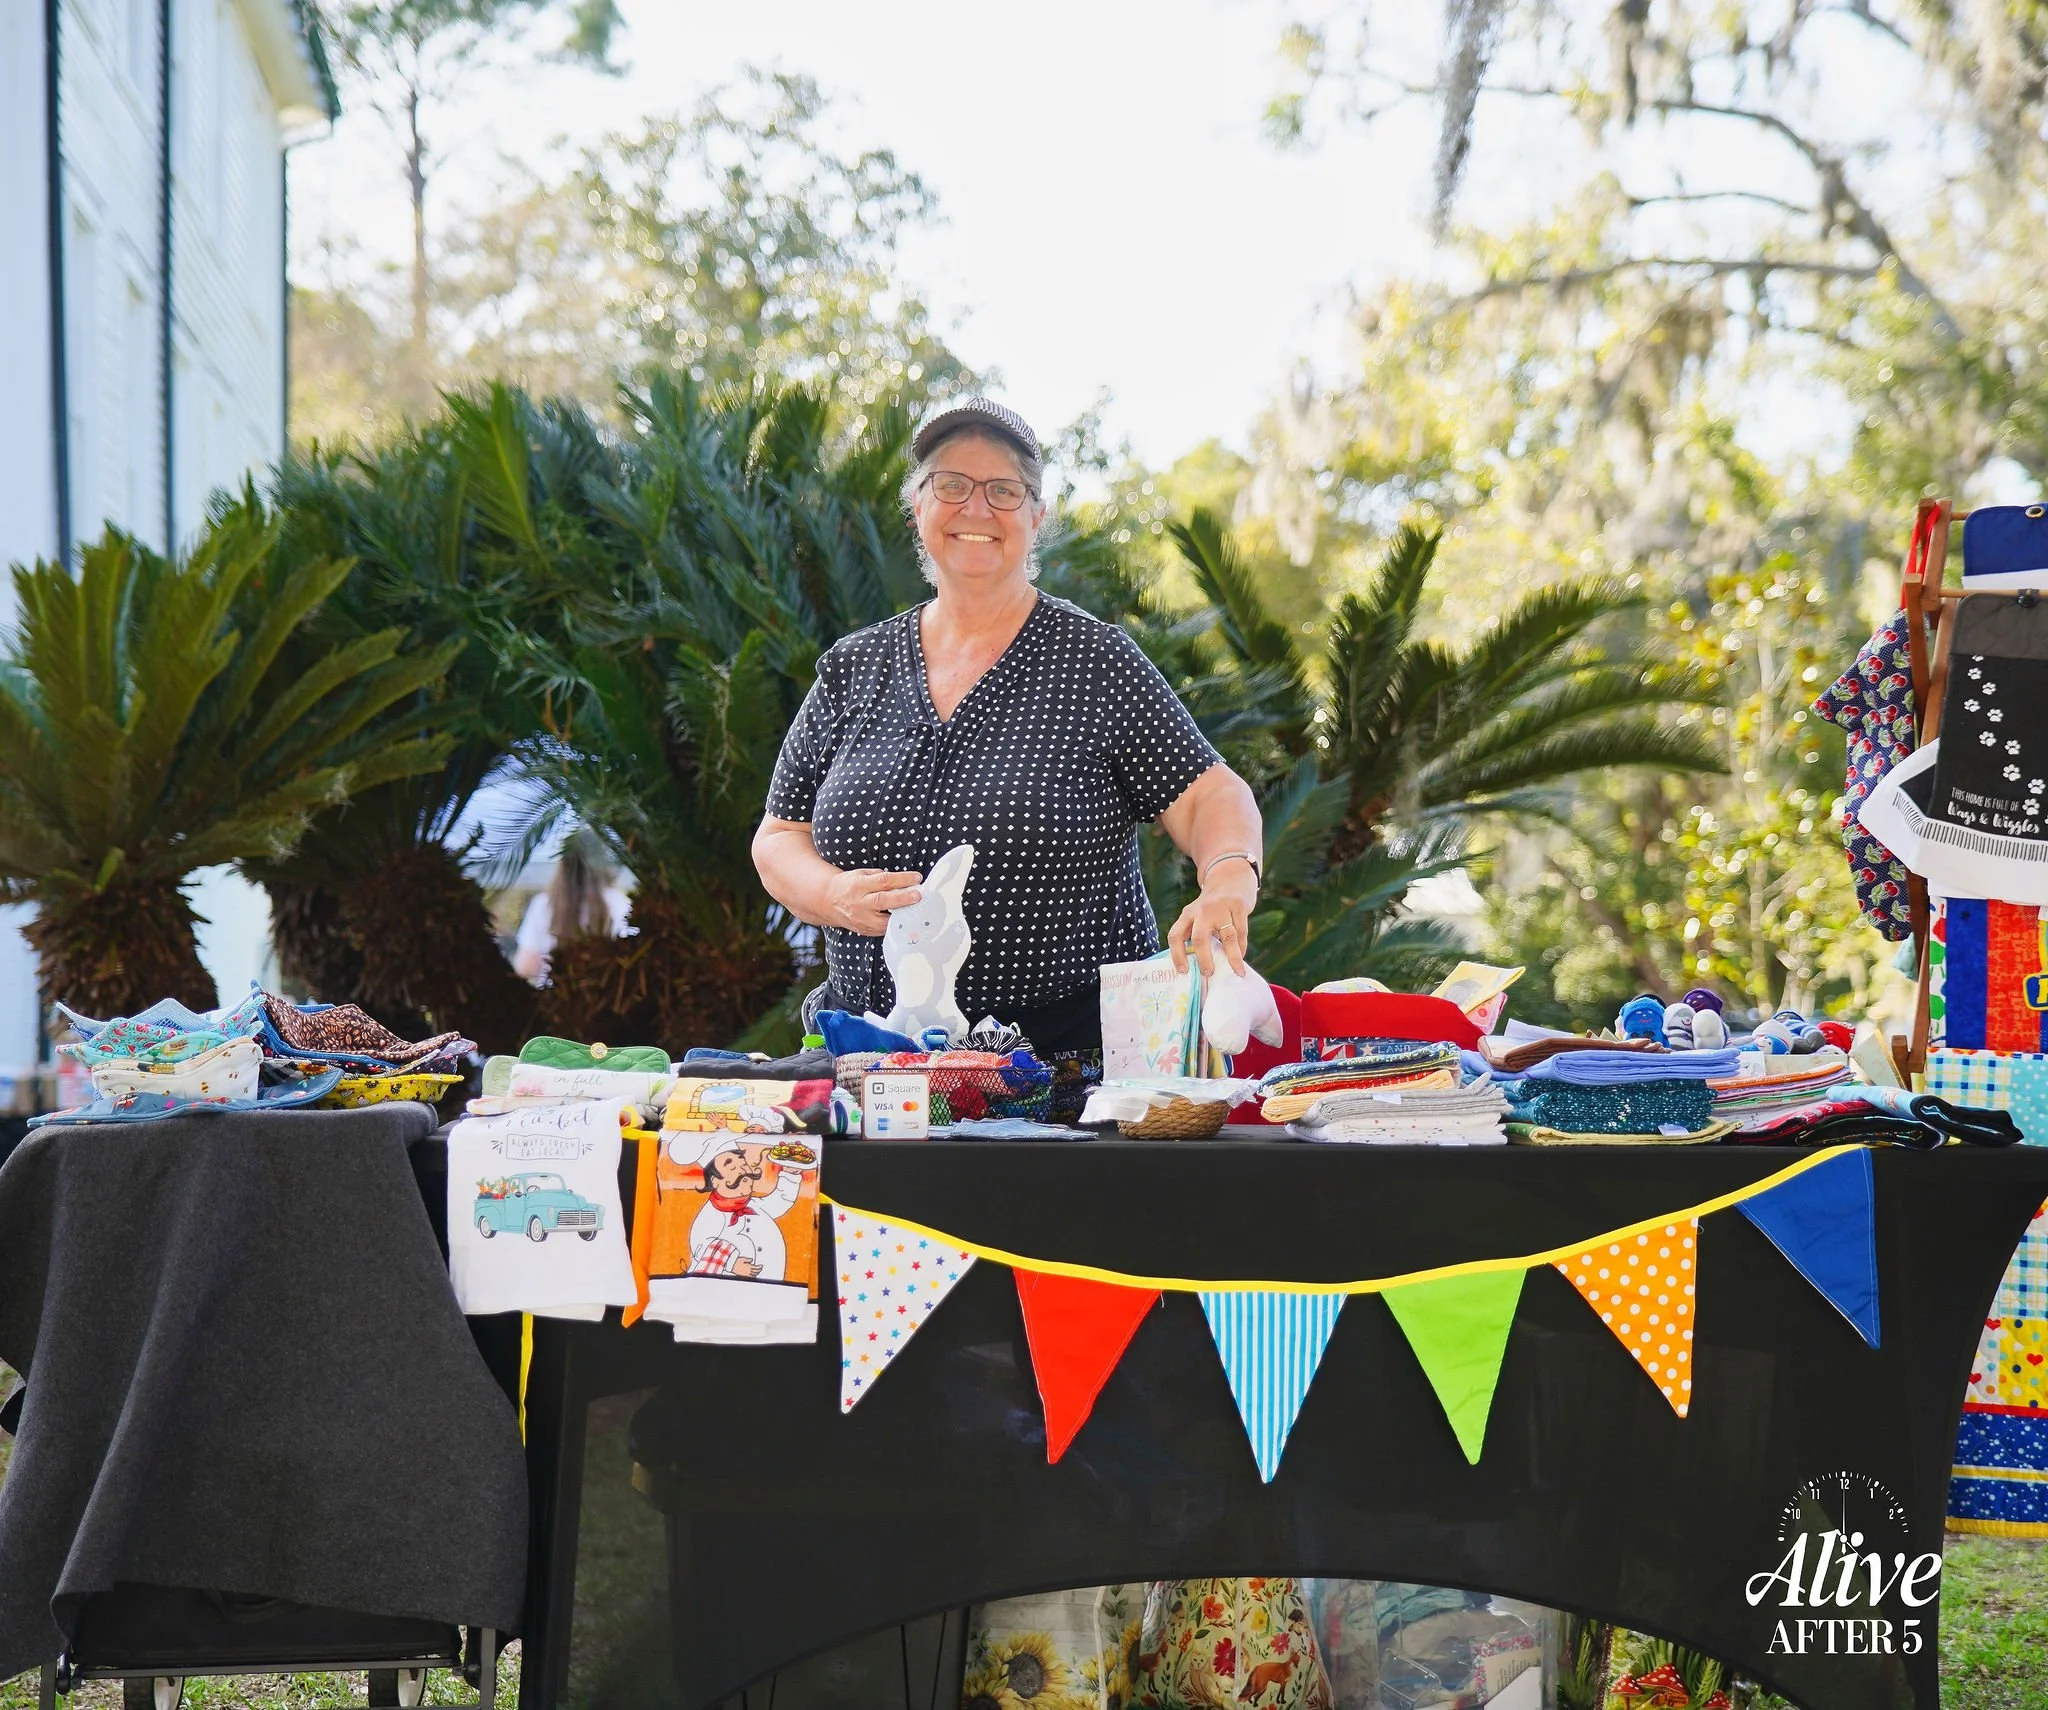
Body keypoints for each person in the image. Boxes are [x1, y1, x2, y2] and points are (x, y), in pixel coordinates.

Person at [751, 396, 1264, 1051]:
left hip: (1067, 1083)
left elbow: (1209, 794)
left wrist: (1227, 881)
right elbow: (779, 835)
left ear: (1036, 517)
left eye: (1004, 490)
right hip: (868, 1071)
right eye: (951, 485)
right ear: (918, 507)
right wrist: (831, 893)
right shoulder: (855, 667)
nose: (976, 508)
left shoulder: (1096, 662)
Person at [513, 828, 632, 984]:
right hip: (608, 997)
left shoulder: (544, 904)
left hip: (555, 999)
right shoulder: (620, 903)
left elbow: (526, 967)